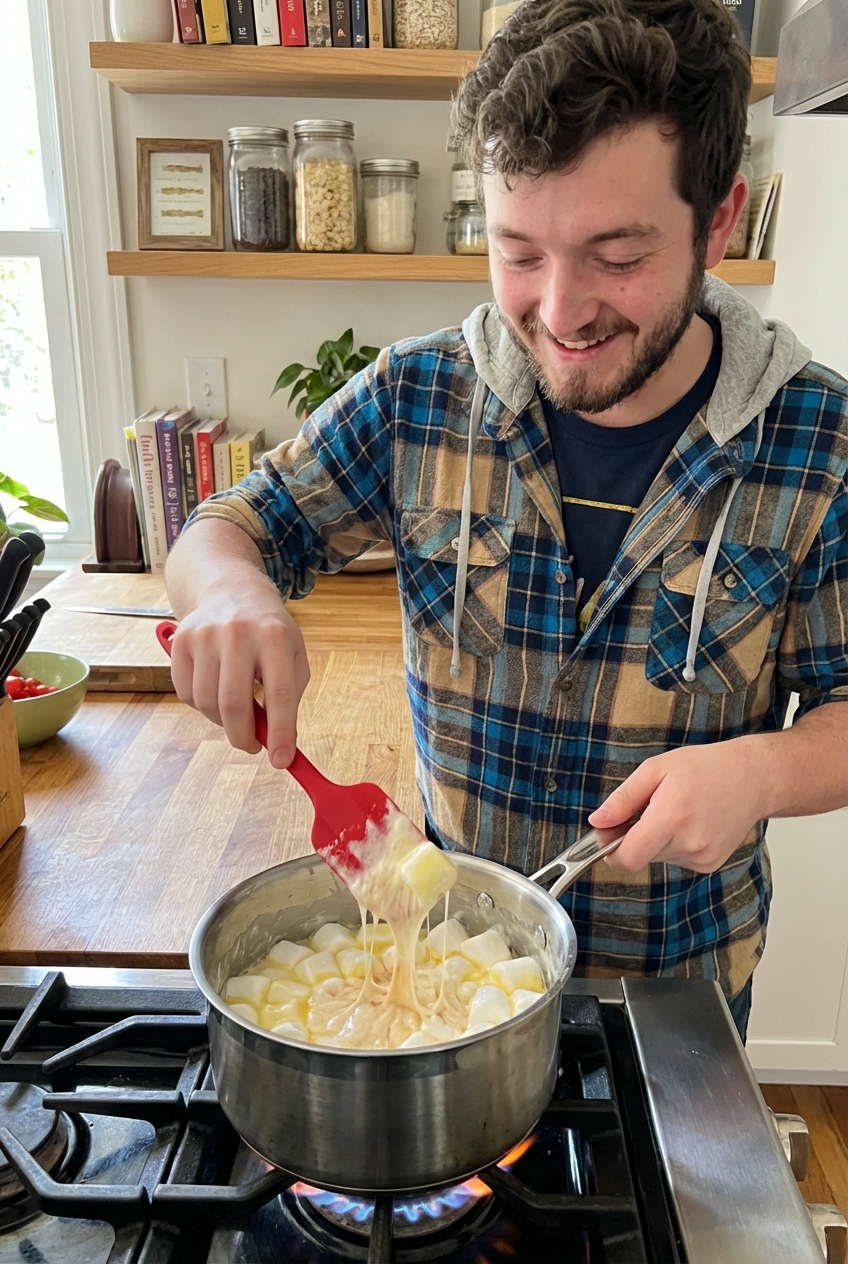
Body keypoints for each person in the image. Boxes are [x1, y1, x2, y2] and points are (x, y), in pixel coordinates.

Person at [166, 0, 847, 1041]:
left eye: (616, 255)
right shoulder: (418, 397)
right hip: (439, 980)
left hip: (671, 1004)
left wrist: (760, 770)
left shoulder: (817, 443)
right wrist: (225, 589)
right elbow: (229, 524)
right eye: (518, 250)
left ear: (716, 220)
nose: (560, 311)